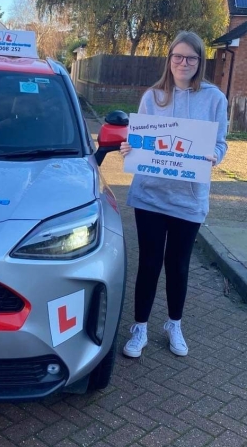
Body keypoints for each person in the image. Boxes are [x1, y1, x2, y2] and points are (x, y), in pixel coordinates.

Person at [120, 31, 228, 358]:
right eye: (178, 57)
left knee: (178, 265)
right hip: (150, 195)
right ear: (169, 60)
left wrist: (216, 156)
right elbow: (138, 141)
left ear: (200, 62)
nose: (184, 63)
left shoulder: (215, 99)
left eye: (191, 58)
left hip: (189, 198)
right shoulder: (153, 96)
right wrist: (129, 147)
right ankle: (139, 327)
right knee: (149, 262)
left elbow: (220, 143)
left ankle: (174, 323)